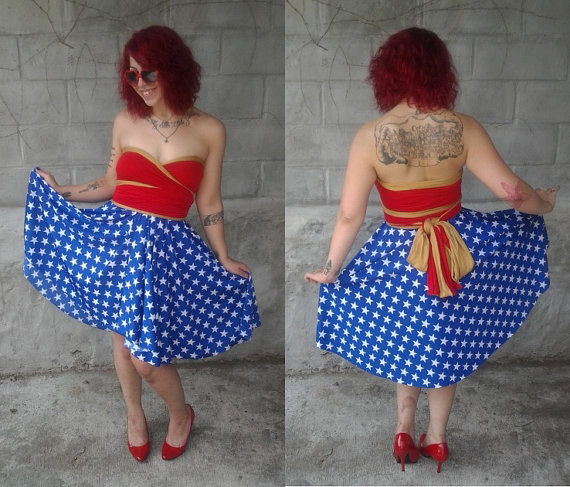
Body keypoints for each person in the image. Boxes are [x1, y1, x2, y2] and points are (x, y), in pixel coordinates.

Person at [304, 27, 557, 473]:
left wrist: (330, 269)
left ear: (386, 74)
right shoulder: (463, 128)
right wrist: (545, 204)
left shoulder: (369, 137)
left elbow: (348, 216)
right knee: (444, 348)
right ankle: (437, 439)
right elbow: (514, 194)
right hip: (455, 253)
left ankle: (403, 431)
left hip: (399, 255)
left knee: (409, 340)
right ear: (441, 71)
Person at [23, 25, 261, 462]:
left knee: (147, 359)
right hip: (118, 241)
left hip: (165, 250)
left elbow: (208, 200)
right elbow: (110, 183)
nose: (140, 84)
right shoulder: (125, 121)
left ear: (173, 69)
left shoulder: (210, 129)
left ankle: (180, 415)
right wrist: (60, 191)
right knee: (121, 341)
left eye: (148, 73)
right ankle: (134, 414)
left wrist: (223, 255)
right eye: (131, 75)